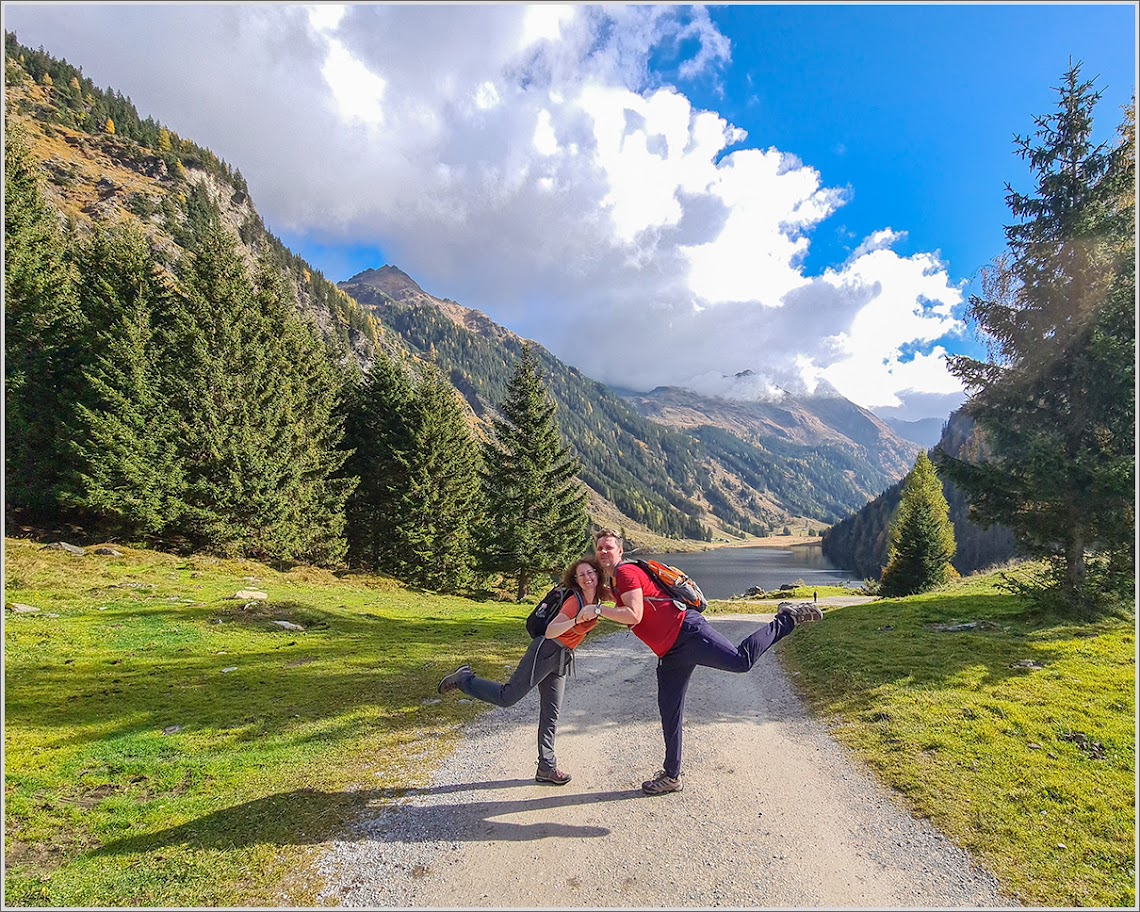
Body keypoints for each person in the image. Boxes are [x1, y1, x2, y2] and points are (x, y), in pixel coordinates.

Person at [591, 528, 822, 796]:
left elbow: (632, 614)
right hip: (670, 653)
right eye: (599, 548)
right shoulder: (616, 582)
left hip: (687, 633)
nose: (604, 552)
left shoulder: (625, 572)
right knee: (670, 710)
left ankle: (787, 619)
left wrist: (596, 610)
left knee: (740, 661)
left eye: (609, 547)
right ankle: (671, 776)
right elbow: (609, 595)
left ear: (620, 550)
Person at [437, 557, 607, 785]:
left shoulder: (597, 597)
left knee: (551, 713)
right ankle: (464, 679)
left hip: (561, 657)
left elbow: (627, 593)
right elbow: (551, 631)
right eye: (581, 575)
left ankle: (546, 767)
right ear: (575, 580)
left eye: (590, 573)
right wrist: (577, 619)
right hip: (546, 650)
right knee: (507, 697)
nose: (587, 578)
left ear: (597, 574)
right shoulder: (575, 602)